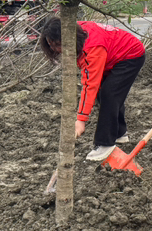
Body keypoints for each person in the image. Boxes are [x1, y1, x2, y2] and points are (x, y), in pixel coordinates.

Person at [40, 17, 145, 161]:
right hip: (111, 54)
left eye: (58, 45)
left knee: (109, 93)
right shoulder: (73, 29)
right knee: (105, 93)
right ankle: (120, 133)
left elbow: (90, 85)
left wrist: (81, 120)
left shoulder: (92, 48)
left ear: (70, 38)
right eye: (51, 45)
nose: (55, 49)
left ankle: (105, 143)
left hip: (130, 54)